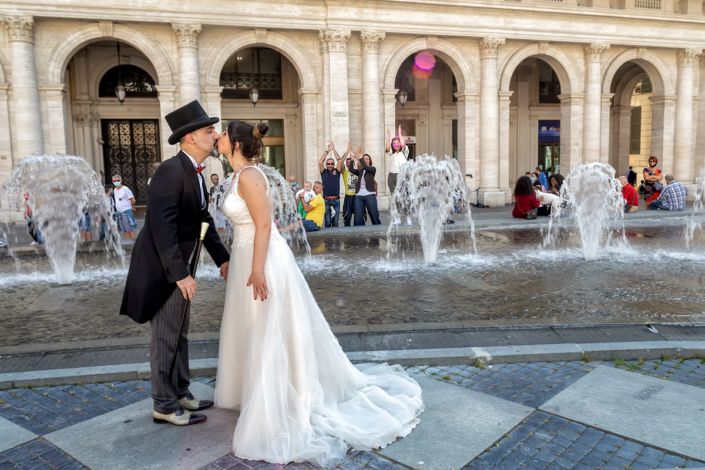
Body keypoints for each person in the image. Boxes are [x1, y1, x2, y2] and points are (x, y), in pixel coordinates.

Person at [213, 119, 422, 466]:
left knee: (268, 328)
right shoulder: (239, 176)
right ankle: (256, 392)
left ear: (235, 143)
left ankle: (282, 396)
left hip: (261, 258)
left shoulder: (249, 176)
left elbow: (265, 224)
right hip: (248, 254)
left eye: (222, 135)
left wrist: (255, 268)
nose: (217, 138)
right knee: (254, 327)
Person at [120, 100, 230, 426]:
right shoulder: (170, 172)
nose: (215, 134)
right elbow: (161, 227)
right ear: (190, 138)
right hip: (163, 271)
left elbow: (203, 219)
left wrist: (222, 258)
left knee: (179, 333)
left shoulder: (194, 172)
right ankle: (164, 405)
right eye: (209, 130)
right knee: (165, 337)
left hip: (180, 267)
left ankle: (180, 391)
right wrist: (180, 274)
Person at [351, 153, 381, 226]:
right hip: (359, 196)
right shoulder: (360, 171)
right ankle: (358, 234)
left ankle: (378, 232)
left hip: (370, 195)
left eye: (367, 159)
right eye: (364, 159)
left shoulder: (372, 169)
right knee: (358, 218)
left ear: (370, 161)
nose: (366, 160)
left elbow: (366, 167)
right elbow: (351, 169)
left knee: (374, 216)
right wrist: (352, 160)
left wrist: (359, 158)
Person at [318, 142, 343, 228]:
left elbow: (339, 160)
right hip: (326, 201)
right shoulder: (323, 172)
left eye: (332, 164)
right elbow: (320, 161)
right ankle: (328, 241)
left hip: (336, 201)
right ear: (326, 165)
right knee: (327, 223)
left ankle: (335, 241)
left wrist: (334, 149)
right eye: (328, 164)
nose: (330, 165)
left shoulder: (337, 171)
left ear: (334, 165)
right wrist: (327, 150)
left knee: (335, 223)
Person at [385, 126, 409, 196]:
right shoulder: (392, 153)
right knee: (394, 196)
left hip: (401, 175)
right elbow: (387, 148)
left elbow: (403, 144)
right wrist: (389, 137)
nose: (395, 144)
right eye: (394, 143)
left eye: (397, 143)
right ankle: (395, 207)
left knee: (402, 195)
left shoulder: (405, 152)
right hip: (391, 176)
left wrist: (399, 134)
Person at [112, 175, 138, 240]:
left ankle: (134, 244)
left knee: (130, 229)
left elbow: (133, 200)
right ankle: (127, 243)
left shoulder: (125, 189)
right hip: (119, 213)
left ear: (121, 181)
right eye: (114, 181)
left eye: (118, 180)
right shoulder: (115, 190)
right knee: (124, 229)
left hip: (126, 211)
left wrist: (132, 206)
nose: (116, 182)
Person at [341, 148, 359, 226]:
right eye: (347, 163)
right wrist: (347, 151)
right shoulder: (344, 171)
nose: (348, 164)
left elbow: (362, 162)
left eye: (349, 162)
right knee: (347, 217)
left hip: (357, 197)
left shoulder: (357, 171)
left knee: (358, 217)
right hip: (348, 196)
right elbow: (340, 162)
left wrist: (354, 155)